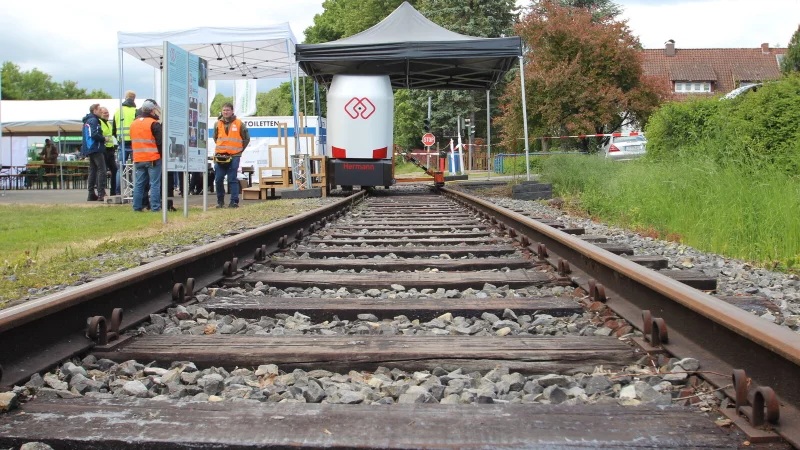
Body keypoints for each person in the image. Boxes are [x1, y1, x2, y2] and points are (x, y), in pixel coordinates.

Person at [213, 102, 250, 208]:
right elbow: (215, 137)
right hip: (221, 155)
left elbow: (246, 138)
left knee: (232, 178)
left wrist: (239, 150)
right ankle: (220, 201)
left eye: (228, 110)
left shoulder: (239, 123)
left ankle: (234, 201)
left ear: (232, 111)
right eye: (224, 110)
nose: (225, 112)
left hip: (234, 156)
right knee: (218, 179)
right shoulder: (217, 124)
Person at [130, 99, 163, 212]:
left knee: (139, 184)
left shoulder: (134, 123)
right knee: (154, 184)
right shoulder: (154, 123)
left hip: (139, 158)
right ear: (153, 111)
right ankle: (155, 208)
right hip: (153, 158)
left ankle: (137, 207)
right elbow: (160, 141)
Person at [81, 104, 107, 201]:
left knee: (93, 170)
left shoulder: (87, 120)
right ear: (94, 110)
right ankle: (101, 193)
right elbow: (94, 134)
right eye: (99, 110)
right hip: (95, 148)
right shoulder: (94, 120)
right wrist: (104, 138)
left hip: (89, 148)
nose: (101, 111)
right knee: (102, 170)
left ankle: (91, 193)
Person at [114, 90, 137, 194]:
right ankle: (133, 191)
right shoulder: (135, 111)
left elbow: (113, 130)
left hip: (121, 142)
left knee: (121, 168)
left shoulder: (118, 111)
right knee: (134, 167)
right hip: (133, 142)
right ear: (134, 99)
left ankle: (118, 191)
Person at [99, 107, 118, 196]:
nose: (107, 114)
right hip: (103, 150)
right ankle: (101, 192)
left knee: (115, 170)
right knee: (102, 171)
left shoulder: (109, 124)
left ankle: (113, 191)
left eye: (107, 112)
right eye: (105, 113)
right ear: (100, 113)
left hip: (110, 150)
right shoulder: (100, 122)